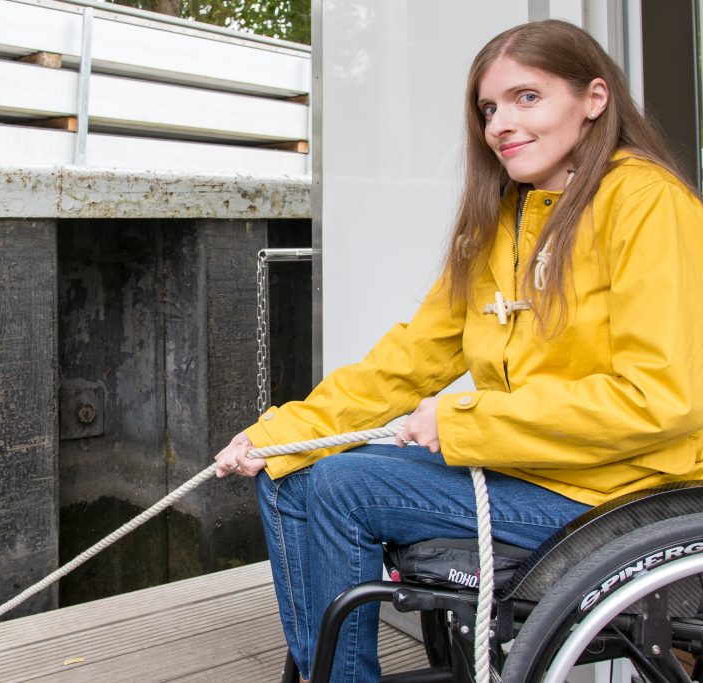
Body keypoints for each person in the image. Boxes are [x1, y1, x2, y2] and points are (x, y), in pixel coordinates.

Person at [213, 19, 703, 682]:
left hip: (619, 490)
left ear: (593, 99)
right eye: (490, 107)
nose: (501, 122)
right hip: (528, 468)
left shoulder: (650, 205)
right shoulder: (502, 219)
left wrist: (463, 422)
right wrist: (280, 432)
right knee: (291, 473)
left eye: (527, 97)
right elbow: (411, 358)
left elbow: (661, 400)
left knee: (337, 486)